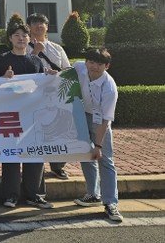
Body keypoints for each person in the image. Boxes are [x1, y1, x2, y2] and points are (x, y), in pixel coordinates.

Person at [0, 23, 57, 210]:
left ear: (30, 39)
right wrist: (3, 78)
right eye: (16, 35)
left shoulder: (36, 61)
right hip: (10, 116)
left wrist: (49, 76)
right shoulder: (1, 60)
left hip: (33, 116)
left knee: (34, 155)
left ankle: (34, 195)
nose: (21, 38)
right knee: (12, 156)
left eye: (24, 35)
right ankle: (11, 195)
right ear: (10, 38)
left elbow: (42, 86)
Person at [72, 48, 123, 222]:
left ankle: (111, 203)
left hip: (99, 120)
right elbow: (65, 74)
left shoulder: (109, 88)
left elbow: (105, 120)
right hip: (81, 114)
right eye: (91, 62)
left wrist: (99, 146)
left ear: (107, 66)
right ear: (86, 62)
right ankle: (93, 194)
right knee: (86, 154)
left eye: (99, 64)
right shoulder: (79, 67)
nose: (94, 66)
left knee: (105, 159)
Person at [26, 13, 72, 180]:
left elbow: (67, 69)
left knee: (57, 130)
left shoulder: (57, 48)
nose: (39, 26)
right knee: (34, 130)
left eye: (42, 23)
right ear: (29, 27)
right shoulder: (24, 47)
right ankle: (33, 169)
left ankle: (57, 166)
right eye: (35, 23)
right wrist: (36, 52)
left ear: (47, 26)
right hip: (33, 95)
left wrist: (57, 75)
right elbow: (23, 69)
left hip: (56, 95)